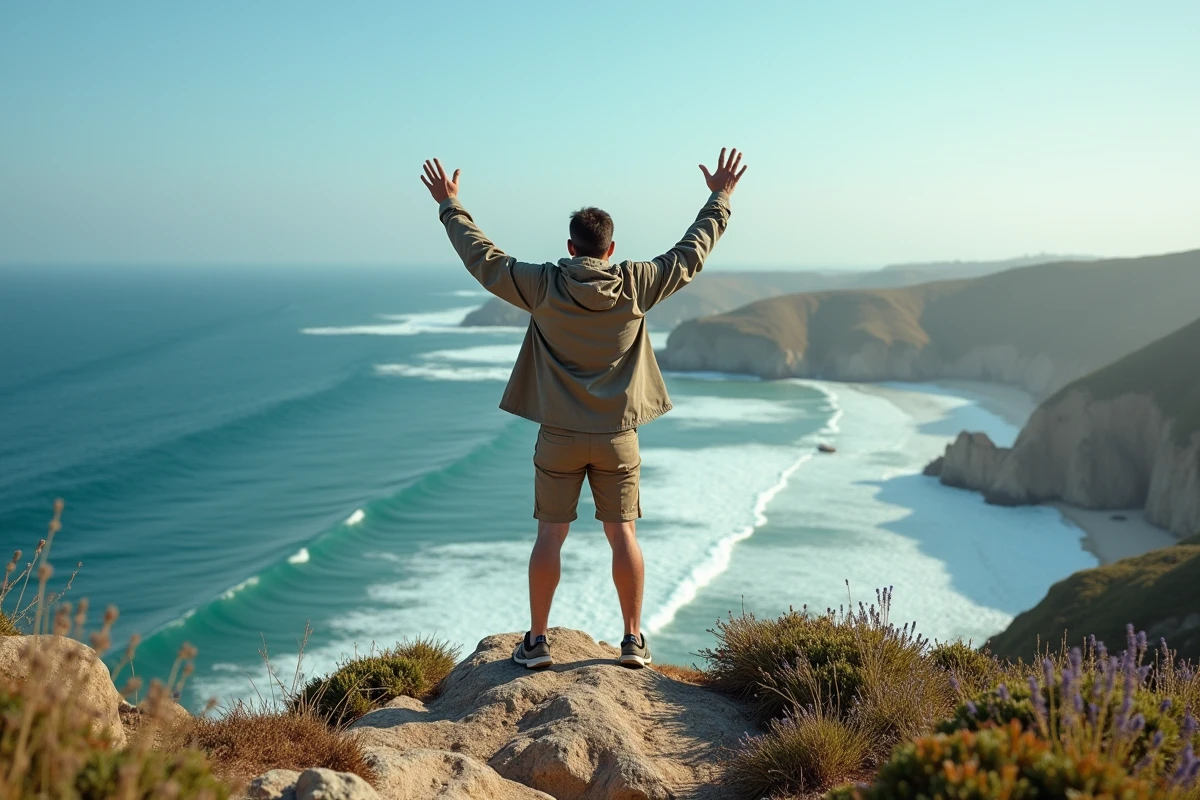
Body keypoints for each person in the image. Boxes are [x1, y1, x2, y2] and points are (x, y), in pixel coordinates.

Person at [419, 148, 746, 669]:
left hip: (559, 437)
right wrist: (720, 197)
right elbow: (692, 252)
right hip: (619, 435)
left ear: (570, 246)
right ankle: (633, 641)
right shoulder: (636, 283)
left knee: (551, 535)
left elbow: (481, 257)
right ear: (611, 248)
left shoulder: (543, 285)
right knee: (623, 534)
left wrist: (450, 205)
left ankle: (537, 643)